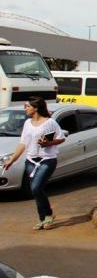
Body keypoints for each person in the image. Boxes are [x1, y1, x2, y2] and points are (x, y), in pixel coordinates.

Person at [4, 97, 65, 229]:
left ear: (36, 108)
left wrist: (49, 143)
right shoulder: (27, 123)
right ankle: (42, 219)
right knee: (36, 190)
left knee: (36, 187)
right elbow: (22, 144)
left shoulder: (50, 122)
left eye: (27, 106)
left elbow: (61, 138)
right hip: (31, 161)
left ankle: (48, 214)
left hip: (47, 159)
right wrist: (11, 160)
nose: (25, 108)